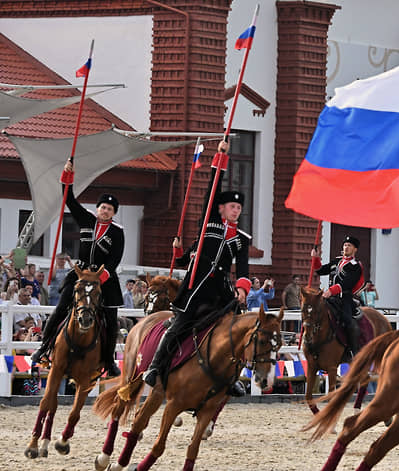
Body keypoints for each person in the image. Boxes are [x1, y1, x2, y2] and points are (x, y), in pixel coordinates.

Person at [144, 139, 251, 390]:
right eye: (231, 206)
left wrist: (243, 288)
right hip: (197, 285)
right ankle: (155, 367)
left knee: (239, 328)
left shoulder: (242, 239)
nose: (235, 211)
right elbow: (212, 190)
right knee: (180, 324)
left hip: (222, 289)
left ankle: (232, 378)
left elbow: (243, 268)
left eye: (239, 208)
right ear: (221, 208)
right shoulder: (209, 223)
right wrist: (220, 159)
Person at [31, 159, 124, 377]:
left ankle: (109, 361)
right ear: (97, 208)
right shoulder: (85, 218)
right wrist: (67, 176)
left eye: (109, 209)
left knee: (111, 319)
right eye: (102, 207)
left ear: (113, 213)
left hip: (104, 278)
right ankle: (43, 348)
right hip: (80, 273)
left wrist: (102, 277)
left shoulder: (117, 232)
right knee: (60, 308)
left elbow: (115, 258)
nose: (105, 211)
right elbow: (68, 199)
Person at [310, 235, 365, 361]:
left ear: (355, 249)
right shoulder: (337, 262)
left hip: (344, 298)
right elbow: (320, 270)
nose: (346, 247)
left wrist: (331, 290)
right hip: (330, 298)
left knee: (348, 321)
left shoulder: (355, 265)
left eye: (349, 245)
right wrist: (315, 258)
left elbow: (348, 283)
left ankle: (353, 350)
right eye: (345, 245)